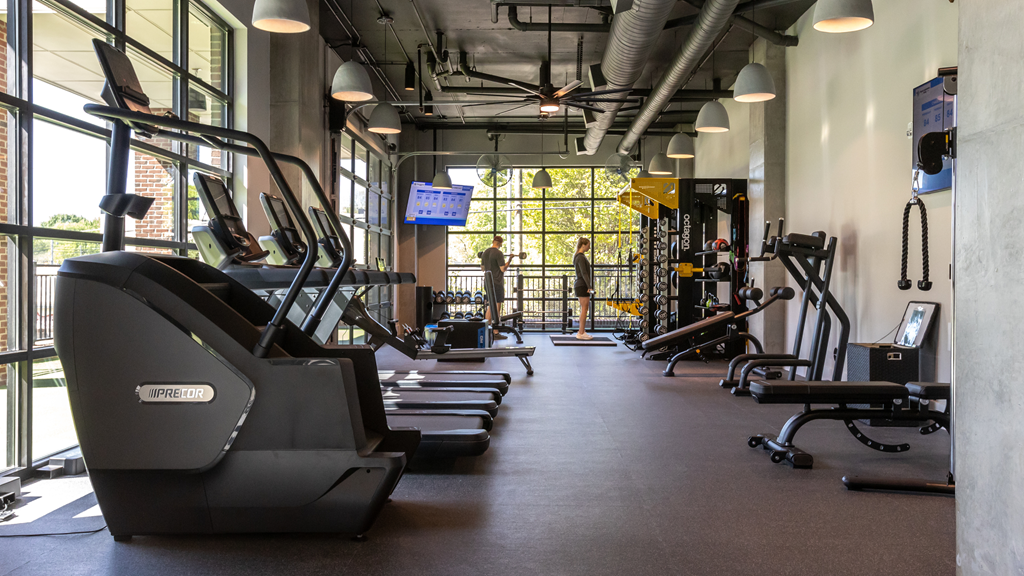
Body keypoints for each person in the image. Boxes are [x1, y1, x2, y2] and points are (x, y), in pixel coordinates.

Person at [481, 235, 513, 339]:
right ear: (500, 244)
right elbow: (503, 269)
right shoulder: (499, 253)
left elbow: (482, 268)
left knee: (491, 305)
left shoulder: (485, 252)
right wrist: (510, 260)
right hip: (497, 282)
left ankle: (486, 330)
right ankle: (495, 332)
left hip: (487, 281)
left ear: (493, 241)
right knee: (496, 307)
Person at [573, 237, 594, 340]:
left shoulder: (578, 256)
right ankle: (581, 333)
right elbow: (584, 273)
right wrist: (589, 287)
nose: (589, 247)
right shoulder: (580, 257)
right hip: (582, 285)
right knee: (584, 309)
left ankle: (582, 331)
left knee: (584, 309)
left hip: (581, 284)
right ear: (583, 245)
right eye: (588, 245)